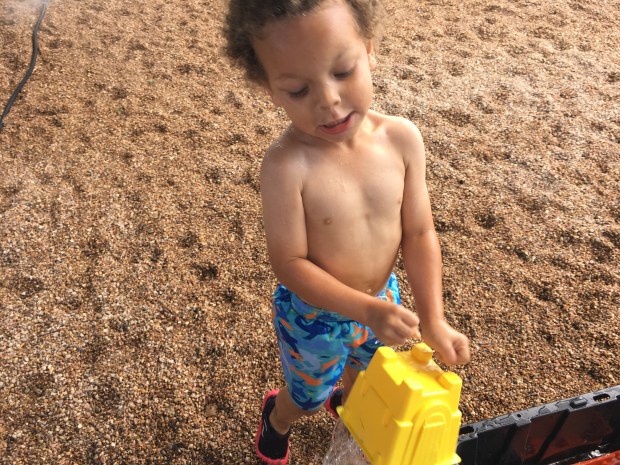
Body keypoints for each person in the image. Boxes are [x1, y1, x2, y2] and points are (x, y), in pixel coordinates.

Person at [224, 0, 471, 463]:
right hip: (314, 317)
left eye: (342, 72)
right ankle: (278, 417)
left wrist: (433, 318)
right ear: (268, 89)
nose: (328, 101)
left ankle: (351, 404)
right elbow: (289, 263)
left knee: (369, 374)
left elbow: (419, 232)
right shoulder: (286, 166)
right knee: (308, 398)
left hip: (383, 298)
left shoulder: (402, 139)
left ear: (369, 50)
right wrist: (366, 309)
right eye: (298, 90)